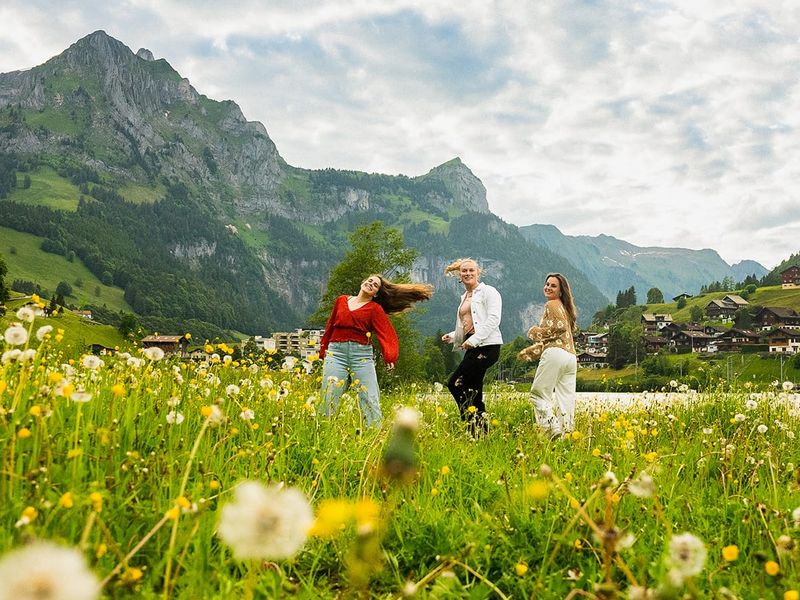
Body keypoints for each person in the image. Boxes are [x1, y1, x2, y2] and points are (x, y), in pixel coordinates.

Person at [319, 274, 433, 426]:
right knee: (329, 394)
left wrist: (390, 356)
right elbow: (330, 326)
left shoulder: (375, 309)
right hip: (336, 353)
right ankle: (325, 429)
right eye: (369, 280)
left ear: (377, 293)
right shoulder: (341, 300)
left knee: (369, 396)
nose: (371, 284)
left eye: (375, 285)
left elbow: (386, 333)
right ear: (363, 282)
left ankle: (374, 433)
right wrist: (323, 349)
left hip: (361, 356)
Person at [441, 258, 503, 434]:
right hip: (472, 346)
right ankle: (481, 432)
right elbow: (468, 324)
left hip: (487, 346)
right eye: (464, 271)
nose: (467, 273)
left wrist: (475, 340)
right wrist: (453, 336)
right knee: (473, 389)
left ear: (478, 272)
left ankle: (471, 425)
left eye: (471, 270)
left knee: (455, 383)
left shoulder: (488, 292)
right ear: (459, 275)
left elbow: (493, 319)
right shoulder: (465, 297)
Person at [519, 272, 578, 438]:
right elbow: (561, 331)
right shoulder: (566, 308)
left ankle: (553, 429)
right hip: (570, 358)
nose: (548, 287)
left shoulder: (552, 304)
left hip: (555, 354)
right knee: (565, 399)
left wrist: (535, 332)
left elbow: (558, 328)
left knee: (538, 394)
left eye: (553, 285)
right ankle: (566, 436)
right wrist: (535, 349)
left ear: (560, 291)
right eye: (547, 284)